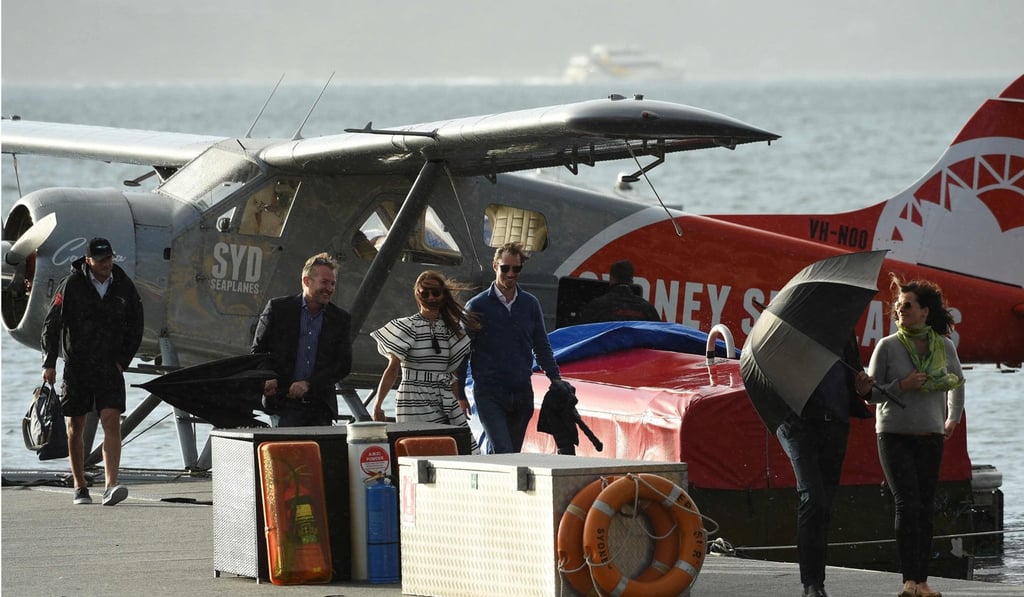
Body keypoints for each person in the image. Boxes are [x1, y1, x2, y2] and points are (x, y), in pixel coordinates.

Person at [867, 274, 965, 597]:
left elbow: (958, 382)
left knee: (924, 507)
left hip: (931, 435)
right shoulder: (887, 347)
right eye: (898, 306)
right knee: (907, 503)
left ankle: (923, 583)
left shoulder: (944, 346)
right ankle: (908, 580)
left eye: (907, 306)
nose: (900, 311)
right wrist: (901, 386)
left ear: (925, 311)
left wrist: (952, 418)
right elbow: (870, 393)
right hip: (894, 435)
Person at [41, 237, 144, 506]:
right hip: (77, 366)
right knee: (75, 424)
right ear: (89, 261)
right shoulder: (72, 284)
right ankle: (80, 485)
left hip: (110, 366)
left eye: (109, 258)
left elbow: (137, 322)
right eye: (101, 260)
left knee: (111, 419)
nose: (106, 264)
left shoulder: (122, 284)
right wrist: (49, 362)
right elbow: (52, 323)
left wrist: (123, 359)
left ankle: (111, 484)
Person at [775, 334, 874, 597]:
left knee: (825, 504)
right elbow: (774, 377)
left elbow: (855, 374)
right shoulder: (791, 331)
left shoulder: (843, 330)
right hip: (797, 424)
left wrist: (863, 385)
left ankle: (817, 581)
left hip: (836, 423)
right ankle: (811, 585)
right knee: (813, 497)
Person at [462, 242, 572, 453]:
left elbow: (541, 345)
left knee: (511, 455)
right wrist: (459, 393)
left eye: (516, 269)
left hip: (521, 392)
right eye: (505, 268)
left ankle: (494, 484)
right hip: (489, 392)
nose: (511, 274)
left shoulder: (530, 304)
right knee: (503, 450)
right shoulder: (477, 306)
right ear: (495, 266)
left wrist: (555, 378)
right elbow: (461, 352)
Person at [370, 271, 480, 451]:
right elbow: (393, 367)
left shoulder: (451, 331)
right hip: (412, 397)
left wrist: (459, 398)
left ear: (443, 295)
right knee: (416, 448)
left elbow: (452, 374)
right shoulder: (407, 327)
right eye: (425, 293)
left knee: (459, 448)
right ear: (417, 294)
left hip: (443, 398)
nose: (430, 297)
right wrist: (378, 405)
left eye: (435, 292)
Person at [252, 253, 352, 427]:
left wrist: (308, 384)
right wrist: (267, 377)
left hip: (320, 407)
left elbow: (342, 365)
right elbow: (258, 352)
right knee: (285, 452)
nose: (329, 288)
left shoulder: (341, 319)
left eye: (332, 283)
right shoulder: (278, 309)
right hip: (283, 404)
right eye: (324, 282)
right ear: (307, 281)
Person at [578, 259, 660, 323]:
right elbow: (657, 337)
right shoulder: (647, 309)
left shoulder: (596, 307)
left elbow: (582, 336)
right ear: (631, 281)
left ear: (611, 280)